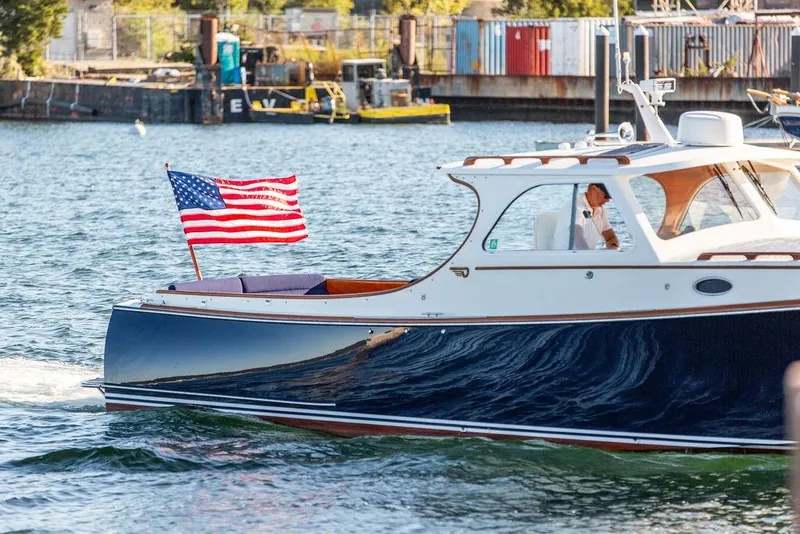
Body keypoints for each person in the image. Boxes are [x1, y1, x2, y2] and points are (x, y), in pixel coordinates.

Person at [552, 183, 620, 250]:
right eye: (606, 196)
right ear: (593, 188)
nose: (608, 200)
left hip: (584, 255)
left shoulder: (600, 210)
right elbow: (577, 237)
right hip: (567, 256)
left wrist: (613, 248)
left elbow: (611, 238)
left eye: (610, 197)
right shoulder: (575, 207)